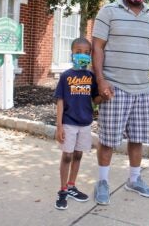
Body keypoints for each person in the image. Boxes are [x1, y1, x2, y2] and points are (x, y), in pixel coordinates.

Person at [92, 0, 149, 205]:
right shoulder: (109, 11)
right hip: (114, 88)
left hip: (142, 90)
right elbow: (97, 47)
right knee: (108, 140)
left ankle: (134, 180)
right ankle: (102, 182)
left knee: (137, 139)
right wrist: (101, 80)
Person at [54, 37, 102, 210]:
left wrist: (104, 95)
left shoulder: (91, 77)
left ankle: (72, 185)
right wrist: (59, 126)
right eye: (78, 52)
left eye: (87, 53)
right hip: (68, 122)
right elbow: (59, 101)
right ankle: (62, 190)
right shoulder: (66, 76)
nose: (82, 55)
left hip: (85, 123)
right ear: (72, 54)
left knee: (78, 154)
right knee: (67, 155)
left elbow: (95, 99)